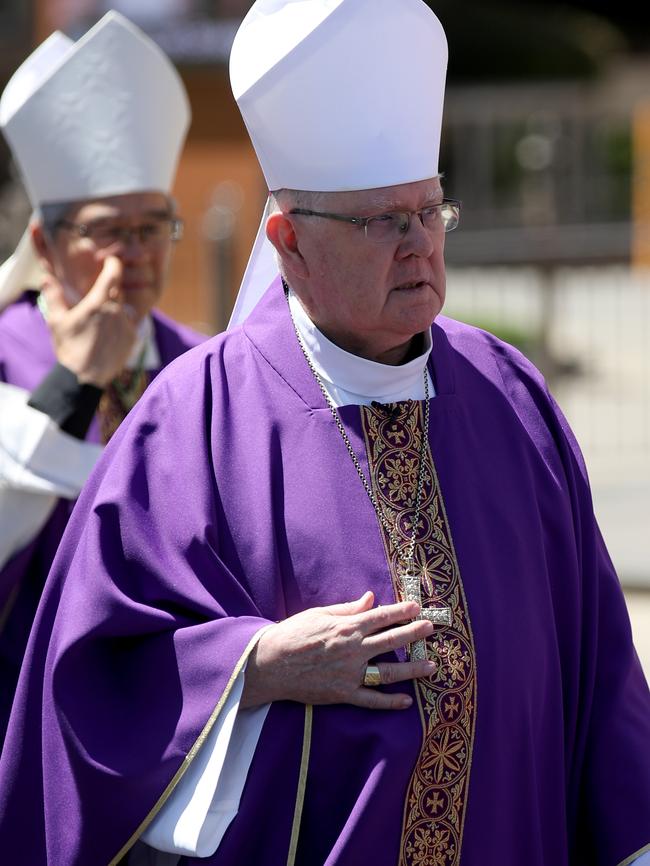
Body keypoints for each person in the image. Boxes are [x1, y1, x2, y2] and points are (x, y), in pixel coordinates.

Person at [0, 1, 648, 864]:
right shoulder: (193, 419)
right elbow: (92, 680)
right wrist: (253, 667)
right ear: (288, 240)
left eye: (430, 211)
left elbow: (601, 663)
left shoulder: (510, 393)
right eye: (383, 221)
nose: (419, 245)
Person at [0, 12, 205, 743]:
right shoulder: (3, 351)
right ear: (45, 245)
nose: (136, 256)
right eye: (107, 231)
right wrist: (76, 379)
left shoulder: (201, 364)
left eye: (153, 228)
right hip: (24, 705)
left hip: (177, 717)